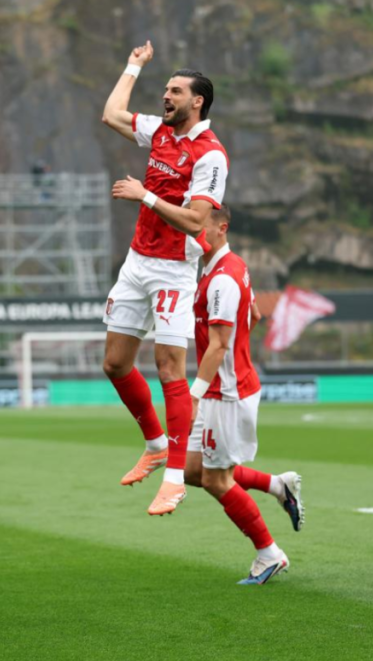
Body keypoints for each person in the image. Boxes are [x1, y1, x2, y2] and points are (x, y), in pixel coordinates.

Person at [103, 39, 229, 515]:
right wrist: (134, 66)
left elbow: (198, 222)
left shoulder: (210, 155)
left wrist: (146, 197)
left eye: (175, 91)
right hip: (137, 261)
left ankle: (175, 476)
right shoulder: (160, 132)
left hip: (174, 269)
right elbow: (112, 114)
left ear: (197, 101)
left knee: (169, 369)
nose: (166, 96)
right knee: (114, 364)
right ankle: (156, 444)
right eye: (166, 89)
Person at [184, 206, 302, 585]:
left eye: (198, 225)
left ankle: (268, 553)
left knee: (216, 480)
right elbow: (252, 315)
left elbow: (218, 345)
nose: (191, 230)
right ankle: (276, 485)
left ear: (221, 228)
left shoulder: (222, 278)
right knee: (192, 471)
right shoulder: (226, 267)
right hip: (224, 386)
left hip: (225, 394)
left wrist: (195, 395)